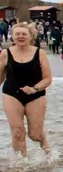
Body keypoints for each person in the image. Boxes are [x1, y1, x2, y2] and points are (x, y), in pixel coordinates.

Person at [1, 23, 53, 158]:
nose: (20, 36)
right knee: (17, 131)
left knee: (34, 135)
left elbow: (48, 79)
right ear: (12, 36)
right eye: (17, 34)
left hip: (36, 95)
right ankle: (21, 164)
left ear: (31, 36)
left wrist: (35, 88)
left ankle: (45, 145)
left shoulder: (39, 53)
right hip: (11, 94)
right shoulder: (5, 54)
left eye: (24, 34)